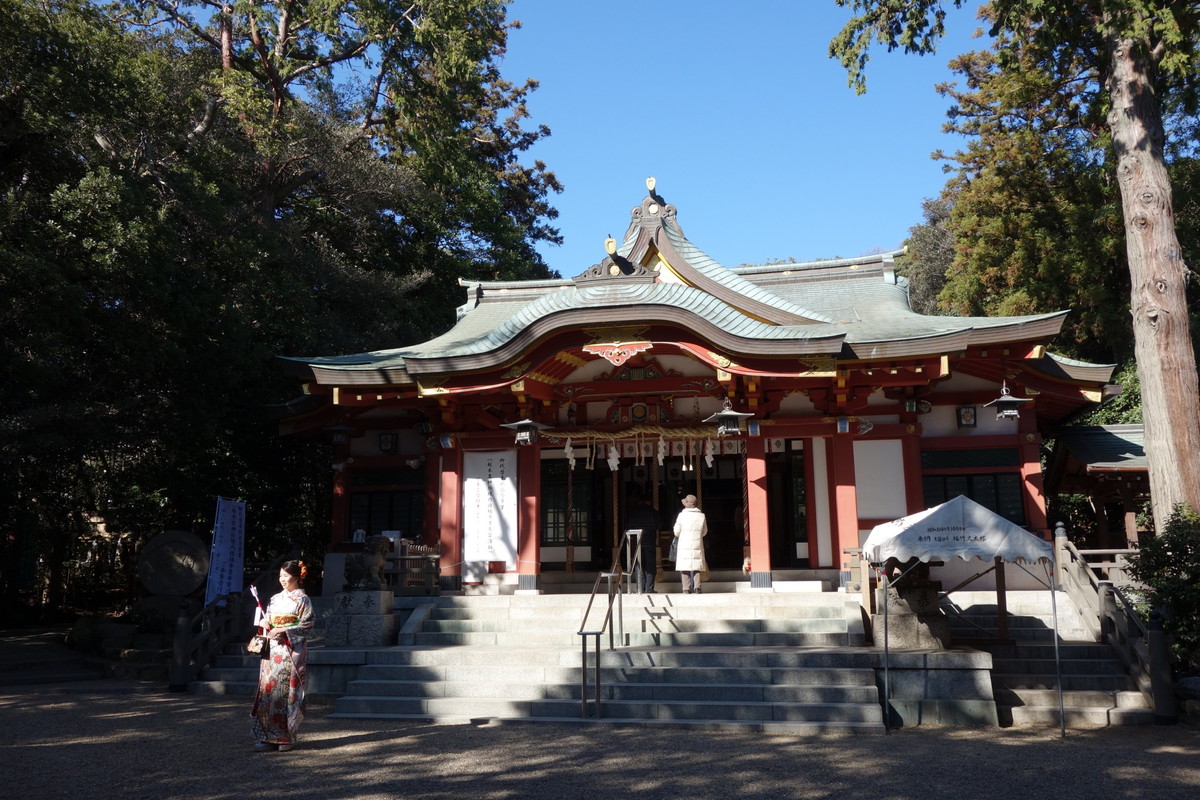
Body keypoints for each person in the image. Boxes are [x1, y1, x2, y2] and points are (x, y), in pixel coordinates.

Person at [251, 559, 314, 752]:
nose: (282, 580)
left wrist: (285, 630)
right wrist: (264, 623)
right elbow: (268, 618)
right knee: (268, 691)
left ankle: (285, 737)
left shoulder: (303, 600)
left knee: (286, 691)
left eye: (286, 576)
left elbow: (308, 624)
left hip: (289, 650)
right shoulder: (275, 599)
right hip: (272, 650)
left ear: (297, 577)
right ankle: (267, 736)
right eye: (280, 576)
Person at [672, 494, 708, 594]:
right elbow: (704, 531)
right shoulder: (701, 516)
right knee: (696, 565)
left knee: (685, 566)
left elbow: (676, 531)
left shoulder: (681, 516)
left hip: (684, 543)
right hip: (697, 542)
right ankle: (697, 587)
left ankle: (686, 588)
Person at [625, 492, 660, 593]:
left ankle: (640, 587)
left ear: (639, 502)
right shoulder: (653, 512)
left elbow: (629, 527)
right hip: (650, 541)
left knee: (638, 565)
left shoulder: (633, 513)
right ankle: (649, 588)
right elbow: (660, 525)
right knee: (650, 566)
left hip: (637, 543)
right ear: (649, 502)